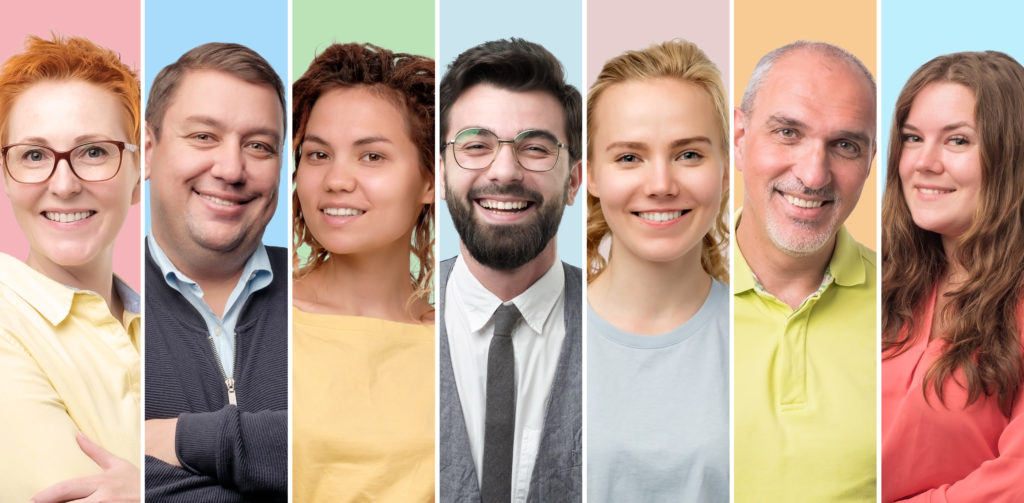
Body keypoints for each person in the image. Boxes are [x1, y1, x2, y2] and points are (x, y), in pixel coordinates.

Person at [438, 38, 582, 502]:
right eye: (476, 145)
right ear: (440, 173)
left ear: (574, 180)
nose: (504, 171)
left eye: (535, 148)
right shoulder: (384, 314)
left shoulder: (623, 323)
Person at [585, 40, 729, 502]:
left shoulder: (762, 336)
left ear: (725, 170)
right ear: (590, 174)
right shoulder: (541, 333)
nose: (662, 185)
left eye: (688, 154)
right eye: (629, 157)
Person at [733, 40, 877, 501]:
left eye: (845, 145)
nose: (814, 175)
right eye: (788, 133)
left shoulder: (920, 299)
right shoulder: (657, 292)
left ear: (871, 161)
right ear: (739, 138)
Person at [290, 42, 435, 501]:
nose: (336, 179)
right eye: (317, 155)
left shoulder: (461, 341)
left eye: (371, 156)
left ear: (430, 180)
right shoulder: (258, 315)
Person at [143, 42, 287, 502]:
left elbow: (382, 455)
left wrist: (183, 444)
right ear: (147, 150)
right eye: (204, 136)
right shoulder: (92, 301)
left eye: (259, 146)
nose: (231, 169)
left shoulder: (334, 292)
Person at [0, 35, 141, 503]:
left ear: (138, 173)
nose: (63, 185)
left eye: (94, 152)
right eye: (34, 155)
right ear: (5, 175)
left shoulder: (172, 319)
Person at [881, 51, 1024, 502]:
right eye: (912, 138)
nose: (924, 162)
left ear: (1010, 157)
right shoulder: (881, 284)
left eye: (957, 141)